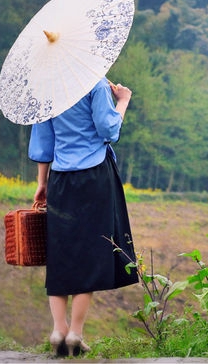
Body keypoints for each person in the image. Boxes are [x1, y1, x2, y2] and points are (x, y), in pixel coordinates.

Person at [29, 77, 139, 357]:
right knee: (88, 254)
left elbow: (44, 143)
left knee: (60, 251)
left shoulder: (48, 89)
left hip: (60, 179)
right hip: (94, 177)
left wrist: (42, 184)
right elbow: (109, 130)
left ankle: (58, 330)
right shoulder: (96, 85)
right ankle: (76, 333)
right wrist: (123, 100)